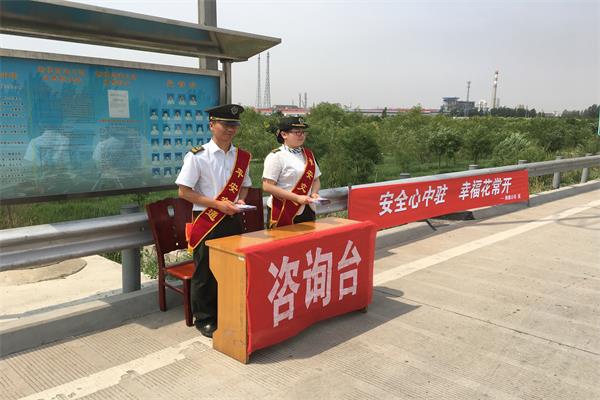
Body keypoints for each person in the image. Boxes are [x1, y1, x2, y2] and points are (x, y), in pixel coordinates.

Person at [175, 103, 251, 338]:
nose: (230, 129)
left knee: (232, 268)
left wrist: (240, 199)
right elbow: (184, 192)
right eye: (225, 124)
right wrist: (218, 205)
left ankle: (228, 310)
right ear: (212, 125)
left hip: (232, 218)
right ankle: (205, 318)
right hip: (207, 220)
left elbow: (245, 186)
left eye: (234, 125)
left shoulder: (242, 157)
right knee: (205, 271)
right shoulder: (197, 156)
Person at [262, 116, 321, 228]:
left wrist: (314, 193)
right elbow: (267, 186)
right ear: (284, 134)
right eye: (297, 132)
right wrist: (297, 198)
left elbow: (316, 179)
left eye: (303, 132)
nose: (301, 135)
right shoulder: (276, 156)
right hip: (284, 209)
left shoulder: (308, 154)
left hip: (307, 208)